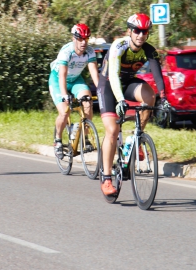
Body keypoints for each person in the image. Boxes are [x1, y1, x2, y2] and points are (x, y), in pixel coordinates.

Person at [97, 13, 167, 196]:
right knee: (112, 131)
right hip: (108, 85)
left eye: (144, 32)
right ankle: (106, 179)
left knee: (149, 97)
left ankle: (137, 139)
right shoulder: (119, 46)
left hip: (128, 83)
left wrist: (165, 99)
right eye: (137, 31)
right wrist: (120, 99)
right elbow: (113, 75)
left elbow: (158, 76)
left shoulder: (149, 50)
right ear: (130, 31)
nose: (140, 35)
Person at [49, 24, 100, 158]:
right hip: (58, 80)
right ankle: (58, 140)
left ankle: (86, 138)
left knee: (87, 103)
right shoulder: (66, 51)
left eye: (86, 39)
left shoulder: (89, 51)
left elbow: (94, 73)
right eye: (80, 39)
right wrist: (65, 95)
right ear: (74, 38)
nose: (84, 42)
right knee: (64, 112)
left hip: (76, 80)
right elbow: (62, 76)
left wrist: (101, 91)